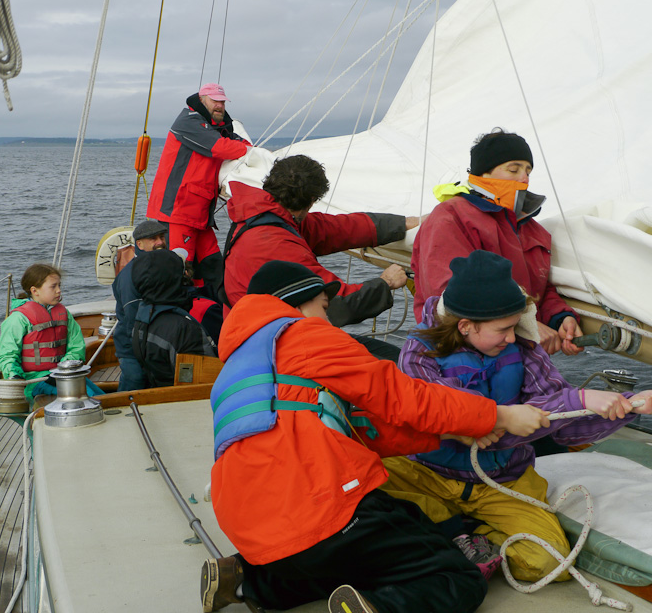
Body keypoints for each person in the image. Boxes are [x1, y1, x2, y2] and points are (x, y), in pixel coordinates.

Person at [200, 259, 552, 613]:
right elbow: (404, 396)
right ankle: (375, 608)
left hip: (249, 528)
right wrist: (499, 415)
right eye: (324, 306)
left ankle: (246, 577)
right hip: (315, 504)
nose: (329, 317)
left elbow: (357, 429)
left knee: (342, 549)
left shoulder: (242, 365)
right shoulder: (305, 335)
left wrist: (448, 431)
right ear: (298, 304)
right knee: (455, 575)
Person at [383, 250, 652, 583]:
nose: (512, 337)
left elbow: (564, 426)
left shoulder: (522, 349)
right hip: (427, 473)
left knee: (549, 564)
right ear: (465, 326)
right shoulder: (420, 353)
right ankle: (453, 529)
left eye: (514, 326)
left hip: (501, 482)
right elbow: (466, 421)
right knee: (365, 482)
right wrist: (574, 399)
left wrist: (627, 404)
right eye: (503, 329)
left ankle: (466, 533)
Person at [411, 129, 583, 356]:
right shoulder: (450, 217)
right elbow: (450, 292)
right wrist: (525, 324)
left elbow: (539, 287)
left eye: (528, 171)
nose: (524, 178)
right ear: (484, 172)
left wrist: (561, 317)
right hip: (460, 351)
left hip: (516, 348)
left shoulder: (532, 229)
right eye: (514, 169)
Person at [223, 154, 414, 328]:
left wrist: (403, 223)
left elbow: (337, 228)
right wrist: (385, 282)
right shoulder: (274, 243)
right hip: (270, 344)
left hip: (265, 330)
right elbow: (336, 303)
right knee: (391, 361)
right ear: (312, 200)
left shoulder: (263, 215)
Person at [146, 83, 251, 294]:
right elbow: (220, 147)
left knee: (214, 267)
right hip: (178, 211)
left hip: (198, 214)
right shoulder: (188, 121)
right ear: (202, 100)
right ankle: (181, 317)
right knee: (181, 270)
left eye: (222, 101)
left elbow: (235, 141)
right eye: (215, 101)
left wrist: (251, 150)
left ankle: (217, 313)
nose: (220, 106)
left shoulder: (214, 125)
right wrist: (251, 152)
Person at [0, 263, 102, 403]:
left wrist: (63, 370)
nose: (58, 290)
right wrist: (15, 376)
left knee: (99, 396)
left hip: (63, 376)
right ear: (35, 291)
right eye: (53, 286)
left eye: (59, 285)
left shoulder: (63, 314)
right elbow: (7, 354)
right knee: (87, 397)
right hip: (33, 381)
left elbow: (76, 346)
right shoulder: (18, 319)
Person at [130, 249, 216, 388]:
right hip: (188, 401)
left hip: (159, 392)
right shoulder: (184, 329)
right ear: (173, 279)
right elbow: (200, 382)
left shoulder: (142, 318)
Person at [111, 219, 168, 391]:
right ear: (139, 244)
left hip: (156, 344)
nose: (160, 242)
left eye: (161, 237)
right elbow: (131, 318)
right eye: (153, 239)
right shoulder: (131, 276)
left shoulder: (164, 267)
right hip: (132, 348)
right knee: (134, 383)